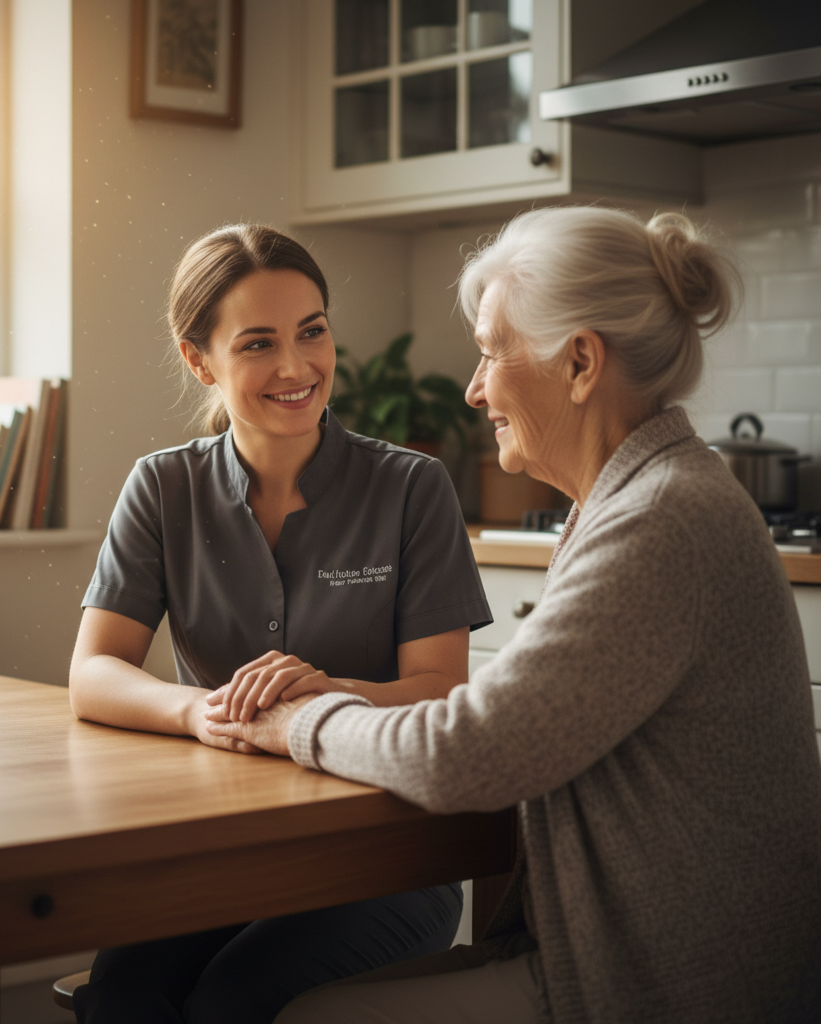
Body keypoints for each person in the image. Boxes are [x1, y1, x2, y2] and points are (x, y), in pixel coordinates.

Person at [205, 207, 821, 1024]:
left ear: (578, 362)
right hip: (620, 950)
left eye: (493, 351)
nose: (474, 387)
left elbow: (467, 753)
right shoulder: (633, 500)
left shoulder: (662, 519)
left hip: (678, 984)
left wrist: (297, 719)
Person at [68, 224, 493, 1024]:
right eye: (259, 343)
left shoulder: (413, 488)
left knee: (232, 1001)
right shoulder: (162, 488)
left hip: (394, 856)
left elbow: (442, 691)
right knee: (123, 993)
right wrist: (198, 711)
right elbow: (93, 673)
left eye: (313, 332)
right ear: (200, 359)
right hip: (225, 852)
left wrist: (322, 695)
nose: (297, 368)